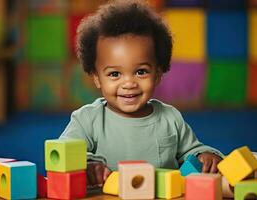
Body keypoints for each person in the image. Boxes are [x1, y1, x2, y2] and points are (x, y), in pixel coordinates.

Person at [60, 0, 223, 187]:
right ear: (96, 78)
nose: (129, 83)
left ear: (158, 74)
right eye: (114, 74)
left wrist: (205, 156)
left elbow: (192, 150)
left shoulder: (170, 118)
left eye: (141, 71)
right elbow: (65, 153)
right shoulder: (87, 119)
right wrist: (88, 164)